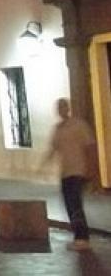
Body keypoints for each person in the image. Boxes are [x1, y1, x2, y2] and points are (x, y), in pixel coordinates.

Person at [43, 97, 95, 251]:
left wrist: (91, 170)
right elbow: (53, 148)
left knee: (75, 204)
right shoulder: (58, 129)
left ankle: (82, 237)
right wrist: (44, 165)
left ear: (68, 108)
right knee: (69, 205)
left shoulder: (79, 125)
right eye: (58, 107)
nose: (61, 110)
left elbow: (90, 147)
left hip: (77, 171)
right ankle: (78, 236)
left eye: (63, 107)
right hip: (65, 173)